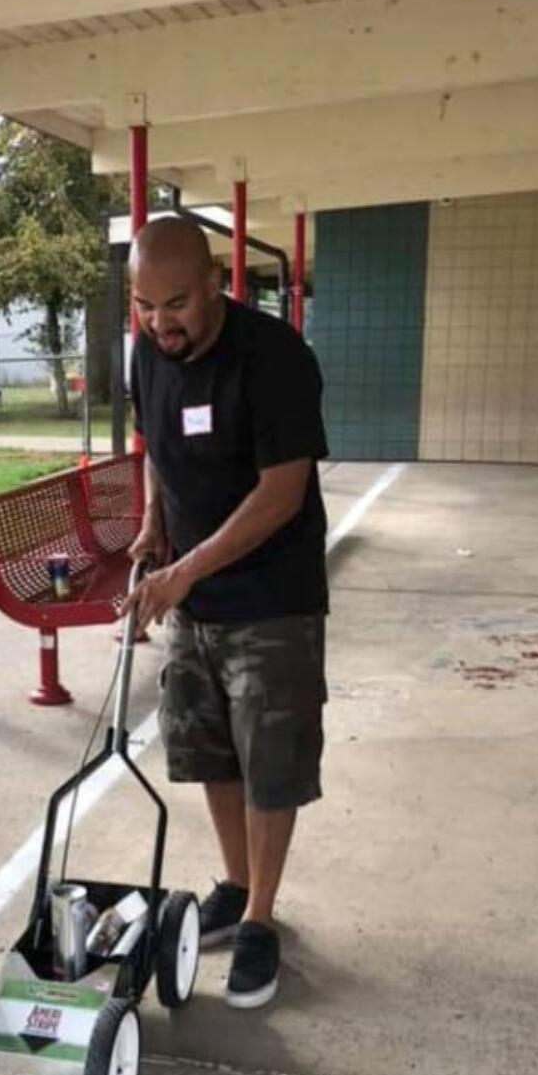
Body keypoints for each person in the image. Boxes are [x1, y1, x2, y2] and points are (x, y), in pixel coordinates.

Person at [123, 215, 328, 1010]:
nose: (159, 323)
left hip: (273, 599)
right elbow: (158, 449)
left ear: (216, 282)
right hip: (193, 592)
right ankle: (235, 882)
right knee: (207, 747)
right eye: (144, 305)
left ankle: (261, 918)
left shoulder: (274, 357)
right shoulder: (148, 353)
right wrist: (154, 524)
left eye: (175, 303)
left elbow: (282, 494)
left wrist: (183, 569)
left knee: (270, 759)